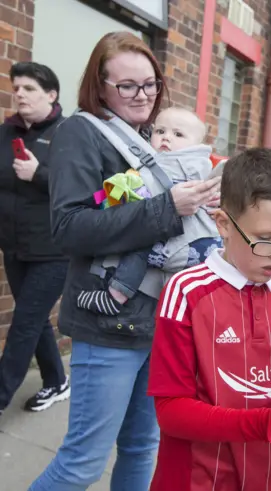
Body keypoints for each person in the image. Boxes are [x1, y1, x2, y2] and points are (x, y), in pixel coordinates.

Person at [29, 32, 218, 491]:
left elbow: (119, 206)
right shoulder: (81, 131)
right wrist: (169, 207)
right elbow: (70, 226)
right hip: (109, 324)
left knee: (141, 448)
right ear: (101, 85)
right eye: (128, 86)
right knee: (81, 465)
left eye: (150, 84)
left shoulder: (148, 140)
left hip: (159, 322)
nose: (144, 96)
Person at [147, 148, 271, 491]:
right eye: (266, 239)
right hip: (194, 478)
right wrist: (268, 425)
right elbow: (170, 411)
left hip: (263, 474)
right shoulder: (186, 293)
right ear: (224, 224)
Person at [76, 107, 223, 316]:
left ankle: (117, 295)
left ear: (198, 145)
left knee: (138, 240)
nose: (166, 138)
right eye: (160, 131)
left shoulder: (181, 164)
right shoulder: (201, 165)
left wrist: (100, 199)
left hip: (181, 245)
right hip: (203, 247)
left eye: (178, 134)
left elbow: (138, 194)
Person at [0, 62, 69, 416]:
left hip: (54, 249)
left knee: (25, 321)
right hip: (15, 246)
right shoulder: (5, 132)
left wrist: (38, 174)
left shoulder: (68, 134)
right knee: (36, 319)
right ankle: (57, 381)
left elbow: (91, 192)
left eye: (28, 88)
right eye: (17, 88)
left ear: (51, 95)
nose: (20, 94)